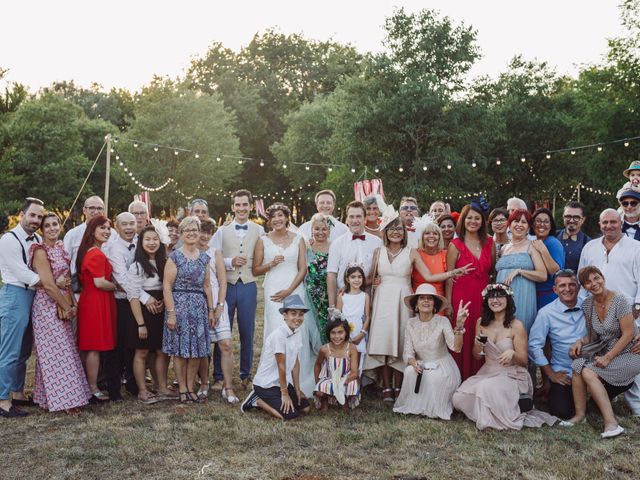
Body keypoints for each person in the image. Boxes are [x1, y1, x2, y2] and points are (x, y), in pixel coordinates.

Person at [365, 215, 470, 401]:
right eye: (392, 228)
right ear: (386, 232)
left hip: (402, 298)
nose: (396, 232)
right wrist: (371, 281)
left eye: (399, 229)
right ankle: (386, 386)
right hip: (382, 299)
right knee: (384, 341)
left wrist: (452, 273)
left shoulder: (411, 252)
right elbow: (368, 278)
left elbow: (429, 277)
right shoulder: (377, 251)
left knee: (400, 340)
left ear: (404, 232)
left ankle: (398, 385)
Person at [452, 283, 557, 430]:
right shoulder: (481, 323)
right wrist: (477, 345)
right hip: (488, 372)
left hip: (511, 374)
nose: (495, 300)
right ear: (486, 302)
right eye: (491, 297)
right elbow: (476, 356)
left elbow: (524, 361)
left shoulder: (516, 326)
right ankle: (502, 406)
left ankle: (512, 404)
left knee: (484, 388)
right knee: (458, 398)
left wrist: (513, 353)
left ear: (508, 300)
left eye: (500, 296)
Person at [562, 266, 640, 438]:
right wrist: (579, 342)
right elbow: (592, 336)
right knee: (577, 365)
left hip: (631, 352)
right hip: (606, 350)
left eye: (596, 278)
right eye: (588, 282)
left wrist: (607, 357)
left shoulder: (619, 300)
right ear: (584, 287)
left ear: (603, 278)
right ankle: (579, 415)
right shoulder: (588, 304)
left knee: (589, 372)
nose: (594, 283)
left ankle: (612, 424)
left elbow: (628, 334)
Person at [253, 203, 320, 396]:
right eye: (273, 217)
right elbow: (256, 269)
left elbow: (303, 268)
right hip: (273, 289)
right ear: (269, 220)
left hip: (294, 287)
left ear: (286, 217)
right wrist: (270, 264)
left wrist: (290, 290)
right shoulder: (262, 240)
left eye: (280, 215)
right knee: (277, 329)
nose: (277, 220)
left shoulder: (299, 239)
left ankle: (299, 380)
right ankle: (275, 380)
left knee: (297, 330)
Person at [578, 208, 640, 416]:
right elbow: (582, 279)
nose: (609, 226)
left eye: (613, 222)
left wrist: (637, 308)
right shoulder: (590, 247)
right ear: (599, 224)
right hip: (599, 313)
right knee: (599, 357)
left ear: (620, 222)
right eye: (605, 223)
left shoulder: (635, 248)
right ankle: (602, 396)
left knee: (633, 353)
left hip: (630, 310)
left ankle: (636, 405)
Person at [28, 213, 90, 413]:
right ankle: (66, 401)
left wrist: (73, 303)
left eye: (55, 224)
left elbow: (67, 281)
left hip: (64, 301)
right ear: (42, 230)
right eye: (48, 226)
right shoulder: (40, 251)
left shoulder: (61, 248)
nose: (53, 228)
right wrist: (66, 306)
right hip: (47, 305)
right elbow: (48, 285)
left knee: (64, 350)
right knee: (57, 352)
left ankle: (46, 398)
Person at [211, 189, 264, 390]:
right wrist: (230, 261)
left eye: (245, 204)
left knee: (247, 330)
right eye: (238, 205)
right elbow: (213, 257)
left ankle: (245, 374)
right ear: (232, 207)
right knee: (222, 330)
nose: (241, 208)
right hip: (227, 286)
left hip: (248, 285)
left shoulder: (259, 231)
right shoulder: (221, 231)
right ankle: (218, 375)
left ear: (251, 206)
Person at [0, 198, 48, 418]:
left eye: (39, 216)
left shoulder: (38, 238)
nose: (36, 220)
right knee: (9, 350)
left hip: (34, 296)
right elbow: (22, 273)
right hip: (15, 294)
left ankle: (18, 394)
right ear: (22, 215)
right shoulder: (9, 240)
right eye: (32, 215)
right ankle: (2, 400)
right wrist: (51, 283)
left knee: (24, 350)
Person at [393, 284, 467, 419]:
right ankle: (415, 407)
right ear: (416, 304)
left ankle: (435, 410)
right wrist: (413, 362)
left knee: (433, 377)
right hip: (421, 364)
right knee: (409, 371)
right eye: (422, 298)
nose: (426, 301)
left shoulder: (443, 321)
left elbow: (456, 347)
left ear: (435, 304)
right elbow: (408, 352)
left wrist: (460, 326)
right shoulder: (410, 323)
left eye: (430, 298)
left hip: (442, 366)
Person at [162, 216, 215, 404]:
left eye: (195, 230)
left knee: (197, 352)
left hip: (199, 308)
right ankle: (182, 388)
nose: (191, 233)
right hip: (179, 306)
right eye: (187, 230)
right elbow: (167, 286)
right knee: (180, 351)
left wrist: (210, 310)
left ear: (199, 232)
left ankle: (191, 386)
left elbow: (207, 285)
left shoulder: (204, 258)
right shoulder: (175, 257)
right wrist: (171, 313)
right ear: (182, 234)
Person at [240, 294, 312, 421]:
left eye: (300, 314)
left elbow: (295, 362)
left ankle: (277, 397)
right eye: (293, 313)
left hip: (278, 383)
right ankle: (257, 400)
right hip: (266, 384)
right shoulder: (278, 335)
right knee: (289, 415)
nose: (297, 318)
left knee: (305, 408)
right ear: (285, 315)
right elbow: (281, 366)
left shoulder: (297, 332)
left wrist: (297, 389)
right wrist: (285, 394)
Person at [446, 204, 496, 380]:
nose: (473, 221)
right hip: (462, 298)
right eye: (469, 218)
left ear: (482, 221)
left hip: (483, 298)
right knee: (463, 335)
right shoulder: (455, 245)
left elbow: (493, 272)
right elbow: (449, 277)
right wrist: (449, 303)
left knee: (481, 334)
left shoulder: (490, 242)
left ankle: (480, 379)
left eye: (477, 218)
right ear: (463, 220)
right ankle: (459, 380)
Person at [528, 269, 586, 419]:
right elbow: (534, 345)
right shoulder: (546, 313)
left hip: (592, 367)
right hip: (565, 370)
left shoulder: (589, 306)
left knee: (622, 381)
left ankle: (593, 395)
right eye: (562, 286)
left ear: (578, 287)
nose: (567, 289)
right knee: (561, 412)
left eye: (572, 284)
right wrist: (550, 374)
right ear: (555, 289)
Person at [126, 225, 175, 404]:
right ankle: (142, 390)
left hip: (161, 310)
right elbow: (132, 294)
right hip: (142, 313)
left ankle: (162, 387)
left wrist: (162, 299)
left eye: (155, 239)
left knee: (161, 350)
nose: (152, 243)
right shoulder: (137, 266)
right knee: (142, 351)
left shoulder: (166, 261)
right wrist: (141, 324)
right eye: (147, 239)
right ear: (141, 242)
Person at [195, 219, 238, 404]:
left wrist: (220, 305)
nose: (205, 236)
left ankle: (228, 387)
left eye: (208, 233)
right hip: (198, 302)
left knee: (225, 344)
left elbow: (222, 281)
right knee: (203, 348)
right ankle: (204, 383)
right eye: (201, 232)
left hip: (217, 299)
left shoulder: (215, 253)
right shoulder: (189, 253)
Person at [76, 215, 118, 403]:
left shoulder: (92, 251)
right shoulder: (95, 254)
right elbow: (100, 283)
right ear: (92, 231)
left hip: (95, 301)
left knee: (93, 346)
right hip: (95, 302)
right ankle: (92, 388)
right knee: (93, 347)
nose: (107, 231)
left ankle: (90, 385)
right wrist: (117, 286)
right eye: (102, 228)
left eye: (108, 228)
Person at [495, 209, 546, 334]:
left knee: (520, 333)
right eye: (516, 221)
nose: (519, 225)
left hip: (523, 295)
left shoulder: (532, 246)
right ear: (510, 224)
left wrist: (520, 271)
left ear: (528, 227)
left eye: (524, 222)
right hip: (501, 297)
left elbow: (543, 275)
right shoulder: (503, 248)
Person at [105, 212, 139, 400]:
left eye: (131, 224)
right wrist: (144, 297)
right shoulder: (114, 248)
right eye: (124, 224)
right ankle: (114, 389)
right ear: (116, 227)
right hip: (121, 302)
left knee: (134, 345)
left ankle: (134, 385)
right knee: (117, 346)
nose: (128, 228)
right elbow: (123, 279)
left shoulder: (141, 242)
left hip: (137, 301)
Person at [327, 201, 382, 308]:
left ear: (365, 219)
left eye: (358, 216)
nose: (355, 220)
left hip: (369, 298)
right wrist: (332, 306)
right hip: (343, 298)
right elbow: (331, 275)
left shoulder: (377, 242)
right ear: (347, 219)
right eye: (351, 217)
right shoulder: (337, 243)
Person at [313, 315, 361, 411]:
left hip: (346, 379)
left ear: (346, 333)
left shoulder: (351, 348)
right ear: (328, 334)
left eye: (340, 332)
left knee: (352, 386)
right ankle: (325, 398)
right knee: (320, 390)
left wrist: (342, 382)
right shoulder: (325, 349)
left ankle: (345, 400)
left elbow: (355, 373)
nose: (337, 336)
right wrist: (317, 382)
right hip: (330, 379)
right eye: (333, 333)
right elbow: (317, 365)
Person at [64, 195, 106, 280]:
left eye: (99, 208)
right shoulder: (72, 234)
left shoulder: (112, 234)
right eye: (92, 208)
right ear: (84, 210)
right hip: (79, 286)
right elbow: (64, 263)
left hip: (105, 284)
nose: (96, 211)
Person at [336, 265, 370, 367]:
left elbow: (368, 317)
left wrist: (362, 334)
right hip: (344, 333)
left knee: (357, 366)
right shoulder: (342, 296)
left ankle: (357, 382)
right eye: (353, 277)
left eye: (360, 277)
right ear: (347, 279)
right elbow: (337, 317)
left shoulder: (365, 296)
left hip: (359, 332)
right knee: (345, 364)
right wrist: (343, 335)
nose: (357, 280)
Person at [530, 208, 564, 310]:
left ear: (551, 225)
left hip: (548, 296)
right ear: (532, 224)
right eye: (538, 221)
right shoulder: (534, 242)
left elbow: (556, 271)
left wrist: (543, 250)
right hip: (534, 295)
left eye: (546, 221)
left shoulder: (552, 243)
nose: (542, 224)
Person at [305, 213, 331, 343]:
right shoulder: (306, 247)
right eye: (317, 229)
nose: (320, 232)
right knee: (310, 330)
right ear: (311, 230)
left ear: (329, 231)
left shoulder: (335, 248)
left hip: (328, 295)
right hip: (309, 296)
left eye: (324, 229)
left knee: (327, 329)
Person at [411, 215, 448, 295]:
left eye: (435, 233)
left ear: (439, 237)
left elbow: (449, 282)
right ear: (422, 237)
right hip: (418, 299)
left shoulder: (445, 255)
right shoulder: (415, 254)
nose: (431, 236)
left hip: (439, 299)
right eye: (427, 233)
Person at [556, 201, 591, 272]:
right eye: (568, 216)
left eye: (576, 217)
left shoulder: (588, 243)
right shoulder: (553, 236)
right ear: (563, 217)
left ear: (583, 220)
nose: (571, 220)